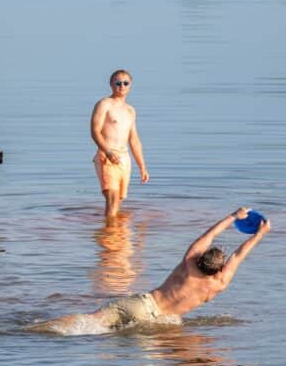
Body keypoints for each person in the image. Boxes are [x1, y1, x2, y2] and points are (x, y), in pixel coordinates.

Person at [34, 208, 271, 332]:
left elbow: (209, 236)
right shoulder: (218, 285)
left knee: (90, 321)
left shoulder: (189, 263)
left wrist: (233, 216)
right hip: (159, 323)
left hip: (142, 304)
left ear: (201, 259)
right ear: (220, 268)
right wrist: (259, 234)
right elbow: (240, 255)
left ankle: (39, 329)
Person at [90, 69, 150, 219]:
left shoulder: (130, 110)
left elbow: (134, 139)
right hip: (107, 156)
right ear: (111, 85)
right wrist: (108, 152)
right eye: (118, 83)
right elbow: (95, 131)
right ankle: (109, 237)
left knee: (118, 202)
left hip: (124, 159)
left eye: (125, 83)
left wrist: (142, 166)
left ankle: (117, 238)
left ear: (130, 86)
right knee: (112, 200)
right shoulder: (104, 104)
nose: (121, 86)